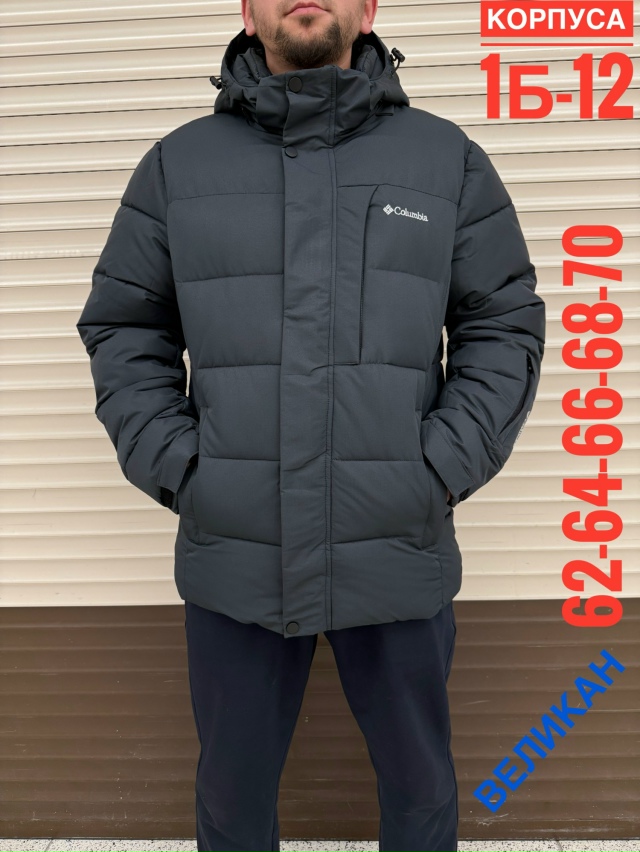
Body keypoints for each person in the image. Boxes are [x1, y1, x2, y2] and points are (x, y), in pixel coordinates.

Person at [76, 0, 546, 846]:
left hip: (397, 544)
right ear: (246, 10)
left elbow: (503, 324)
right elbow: (125, 328)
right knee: (231, 803)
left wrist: (435, 469)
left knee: (421, 793)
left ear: (368, 9)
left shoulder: (445, 161)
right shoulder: (179, 166)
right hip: (236, 551)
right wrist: (187, 471)